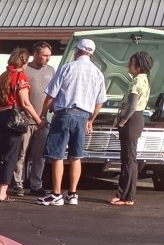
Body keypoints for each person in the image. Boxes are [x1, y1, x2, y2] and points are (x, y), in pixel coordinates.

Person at [37, 37, 107, 206]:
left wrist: (43, 114)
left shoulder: (67, 68)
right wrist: (91, 120)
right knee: (76, 156)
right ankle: (73, 193)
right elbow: (100, 102)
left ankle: (56, 194)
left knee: (57, 156)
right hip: (83, 117)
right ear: (91, 54)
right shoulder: (98, 73)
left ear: (78, 50)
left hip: (64, 114)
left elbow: (51, 95)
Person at [0, 50, 42, 202]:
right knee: (11, 155)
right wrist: (38, 119)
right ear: (23, 62)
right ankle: (2, 192)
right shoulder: (20, 77)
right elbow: (24, 102)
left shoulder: (3, 76)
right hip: (13, 116)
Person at [112, 51, 153, 206]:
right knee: (128, 158)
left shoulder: (137, 82)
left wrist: (122, 122)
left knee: (129, 159)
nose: (129, 66)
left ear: (139, 66)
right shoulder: (143, 79)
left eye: (131, 63)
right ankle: (124, 194)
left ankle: (127, 196)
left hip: (132, 119)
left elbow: (132, 106)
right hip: (137, 118)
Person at [16, 41, 55, 196]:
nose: (47, 59)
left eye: (49, 56)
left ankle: (36, 184)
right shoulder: (25, 69)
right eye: (44, 55)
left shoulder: (51, 70)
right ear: (36, 54)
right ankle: (18, 183)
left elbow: (54, 93)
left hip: (44, 120)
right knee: (22, 153)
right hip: (26, 119)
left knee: (39, 155)